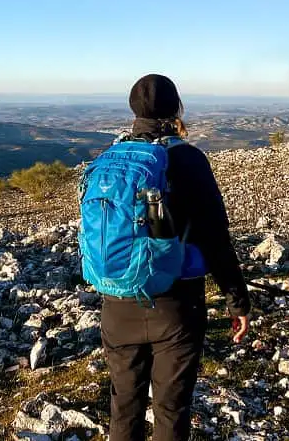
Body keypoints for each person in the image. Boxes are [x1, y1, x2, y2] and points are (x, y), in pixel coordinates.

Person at [99, 74, 252, 441]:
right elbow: (215, 238)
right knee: (170, 410)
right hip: (176, 303)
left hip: (117, 302)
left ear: (134, 109)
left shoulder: (112, 159)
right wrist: (238, 302)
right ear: (176, 108)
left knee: (124, 409)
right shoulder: (187, 158)